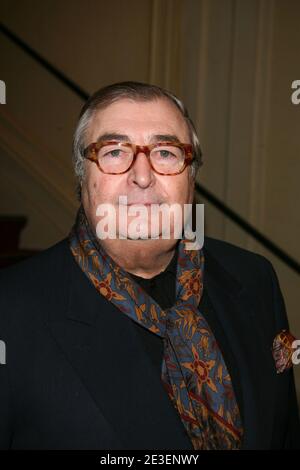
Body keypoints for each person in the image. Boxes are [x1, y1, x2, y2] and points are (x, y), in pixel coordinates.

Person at [0, 81, 299, 450]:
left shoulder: (255, 280)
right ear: (82, 178)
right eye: (113, 152)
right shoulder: (11, 310)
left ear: (192, 177)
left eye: (165, 152)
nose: (142, 176)